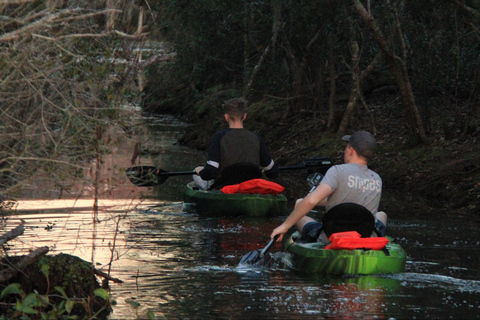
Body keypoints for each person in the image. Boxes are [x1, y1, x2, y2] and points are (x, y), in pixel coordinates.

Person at [270, 130, 387, 242]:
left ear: (351, 150)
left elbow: (311, 201)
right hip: (365, 235)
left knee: (299, 209)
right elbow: (354, 200)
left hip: (332, 237)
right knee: (382, 215)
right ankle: (374, 238)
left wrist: (284, 226)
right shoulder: (376, 178)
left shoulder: (337, 171)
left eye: (346, 147)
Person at [193, 98, 279, 190]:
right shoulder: (256, 138)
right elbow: (273, 173)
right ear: (244, 116)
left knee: (196, 171)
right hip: (250, 187)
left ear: (226, 117)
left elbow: (210, 173)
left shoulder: (219, 137)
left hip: (225, 187)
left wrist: (199, 171)